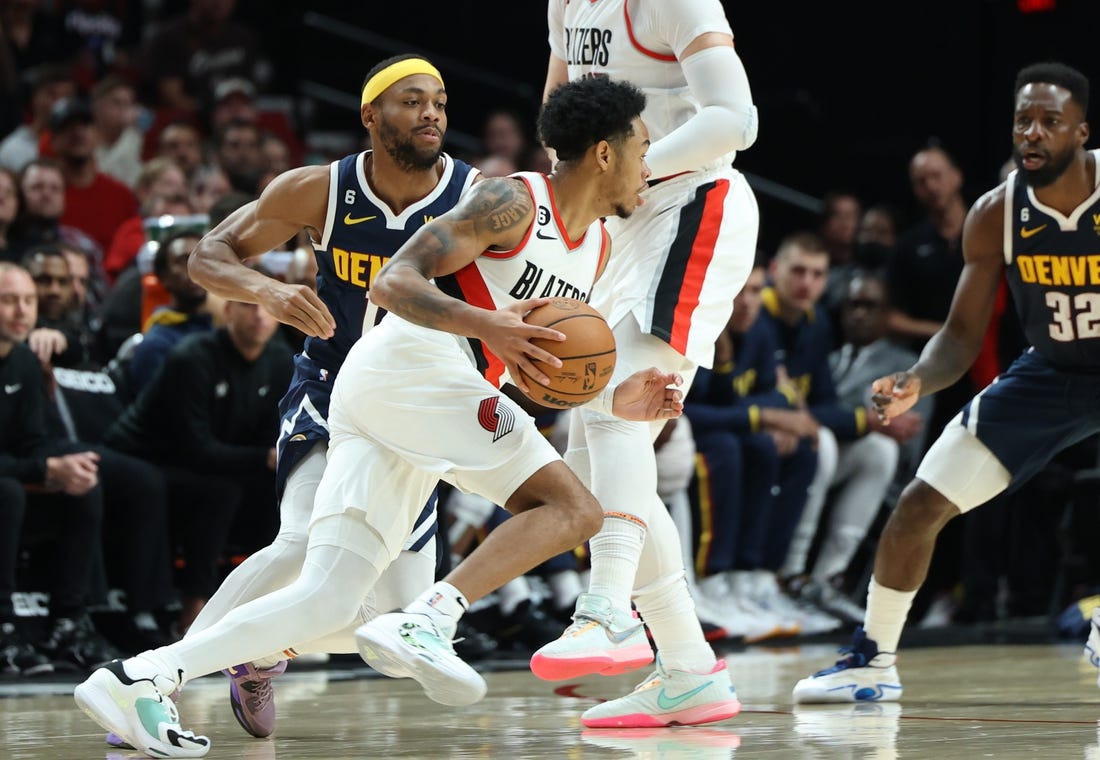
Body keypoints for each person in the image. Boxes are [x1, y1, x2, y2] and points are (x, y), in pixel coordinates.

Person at [74, 73, 682, 758]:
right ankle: (437, 617)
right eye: (645, 146)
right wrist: (489, 325)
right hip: (404, 366)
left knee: (336, 600)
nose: (651, 166)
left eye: (440, 103)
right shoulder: (511, 201)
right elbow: (392, 282)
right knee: (574, 508)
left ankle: (141, 677)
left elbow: (541, 366)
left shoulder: (594, 250)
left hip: (420, 390)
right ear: (605, 153)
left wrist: (607, 398)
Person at [86, 54, 483, 751]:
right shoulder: (321, 191)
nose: (432, 114)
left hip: (416, 415)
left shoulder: (473, 197)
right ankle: (149, 683)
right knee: (301, 541)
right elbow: (208, 254)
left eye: (441, 103)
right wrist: (267, 290)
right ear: (370, 116)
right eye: (414, 100)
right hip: (332, 392)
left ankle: (261, 648)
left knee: (389, 623)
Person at [792, 60, 1100, 703]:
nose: (1033, 134)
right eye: (1023, 122)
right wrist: (915, 379)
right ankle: (872, 660)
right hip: (1049, 373)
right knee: (919, 503)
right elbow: (959, 337)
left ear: (1082, 132)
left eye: (1051, 121)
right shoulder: (995, 214)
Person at [531, 0, 760, 728]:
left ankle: (607, 612)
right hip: (621, 217)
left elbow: (736, 119)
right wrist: (576, 206)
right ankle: (689, 668)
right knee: (593, 442)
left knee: (617, 403)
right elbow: (558, 115)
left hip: (695, 198)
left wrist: (633, 169)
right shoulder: (565, 1)